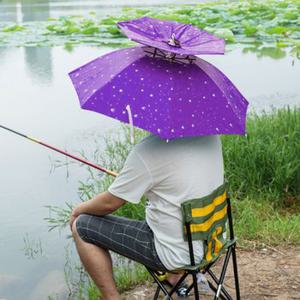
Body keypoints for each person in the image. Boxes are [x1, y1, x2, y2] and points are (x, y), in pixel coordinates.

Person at [70, 134, 224, 300]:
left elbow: (110, 203)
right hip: (214, 243)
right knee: (161, 217)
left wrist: (78, 210)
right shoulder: (211, 137)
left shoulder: (149, 149)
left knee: (82, 226)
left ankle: (112, 297)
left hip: (176, 255)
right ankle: (175, 277)